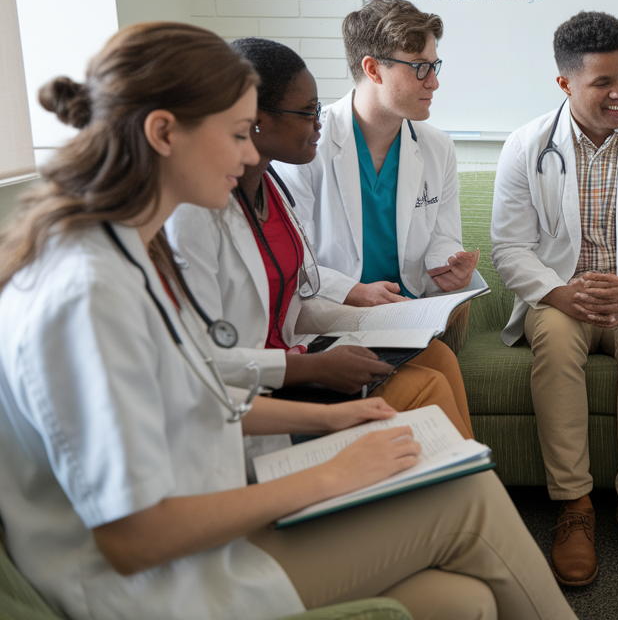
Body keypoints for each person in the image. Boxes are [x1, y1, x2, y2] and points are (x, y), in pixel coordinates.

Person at [0, 21, 618, 620]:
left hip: (208, 531)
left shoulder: (127, 253)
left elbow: (198, 394)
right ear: (164, 133)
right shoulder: (87, 290)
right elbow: (132, 536)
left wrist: (332, 420)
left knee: (467, 613)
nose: (255, 154)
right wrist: (330, 474)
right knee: (465, 496)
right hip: (160, 584)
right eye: (238, 132)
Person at [165, 37, 472, 435]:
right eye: (308, 112)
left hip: (294, 352)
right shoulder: (195, 211)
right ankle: (460, 479)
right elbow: (198, 359)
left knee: (438, 357)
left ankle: (465, 472)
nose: (319, 124)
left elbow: (297, 296)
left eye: (319, 110)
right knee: (425, 386)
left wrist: (393, 322)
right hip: (262, 387)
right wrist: (315, 363)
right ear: (253, 118)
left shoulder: (272, 191)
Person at [490, 11, 618, 586]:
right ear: (565, 84)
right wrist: (559, 294)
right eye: (603, 82)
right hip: (561, 300)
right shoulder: (525, 146)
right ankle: (575, 506)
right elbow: (509, 248)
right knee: (554, 344)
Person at [275, 0, 479, 310]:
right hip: (334, 312)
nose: (434, 82)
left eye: (434, 66)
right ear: (373, 69)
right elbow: (293, 257)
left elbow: (443, 236)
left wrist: (448, 266)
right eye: (420, 68)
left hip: (412, 310)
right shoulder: (305, 145)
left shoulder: (437, 147)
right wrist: (351, 292)